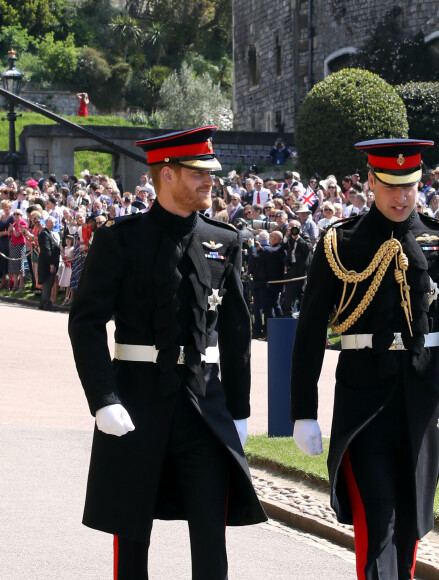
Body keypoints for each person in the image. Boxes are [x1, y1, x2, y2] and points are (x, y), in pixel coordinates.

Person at [68, 126, 267, 579]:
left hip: (203, 407)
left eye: (210, 173)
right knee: (131, 536)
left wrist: (239, 407)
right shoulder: (120, 239)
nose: (209, 181)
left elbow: (237, 331)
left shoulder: (225, 239)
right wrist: (103, 398)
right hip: (137, 404)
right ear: (167, 174)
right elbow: (85, 323)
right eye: (198, 173)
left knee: (211, 540)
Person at [290, 138, 439, 580]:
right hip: (364, 397)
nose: (401, 197)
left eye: (410, 186)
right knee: (377, 520)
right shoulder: (341, 242)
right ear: (372, 182)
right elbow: (310, 330)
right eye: (391, 186)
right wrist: (303, 411)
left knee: (409, 525)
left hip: (421, 396)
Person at [37, 217, 61, 311]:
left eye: (54, 223)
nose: (53, 224)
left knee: (49, 283)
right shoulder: (44, 233)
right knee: (48, 283)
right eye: (51, 223)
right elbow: (47, 249)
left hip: (51, 262)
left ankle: (43, 303)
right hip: (48, 263)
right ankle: (46, 303)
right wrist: (51, 263)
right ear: (46, 223)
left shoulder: (50, 233)